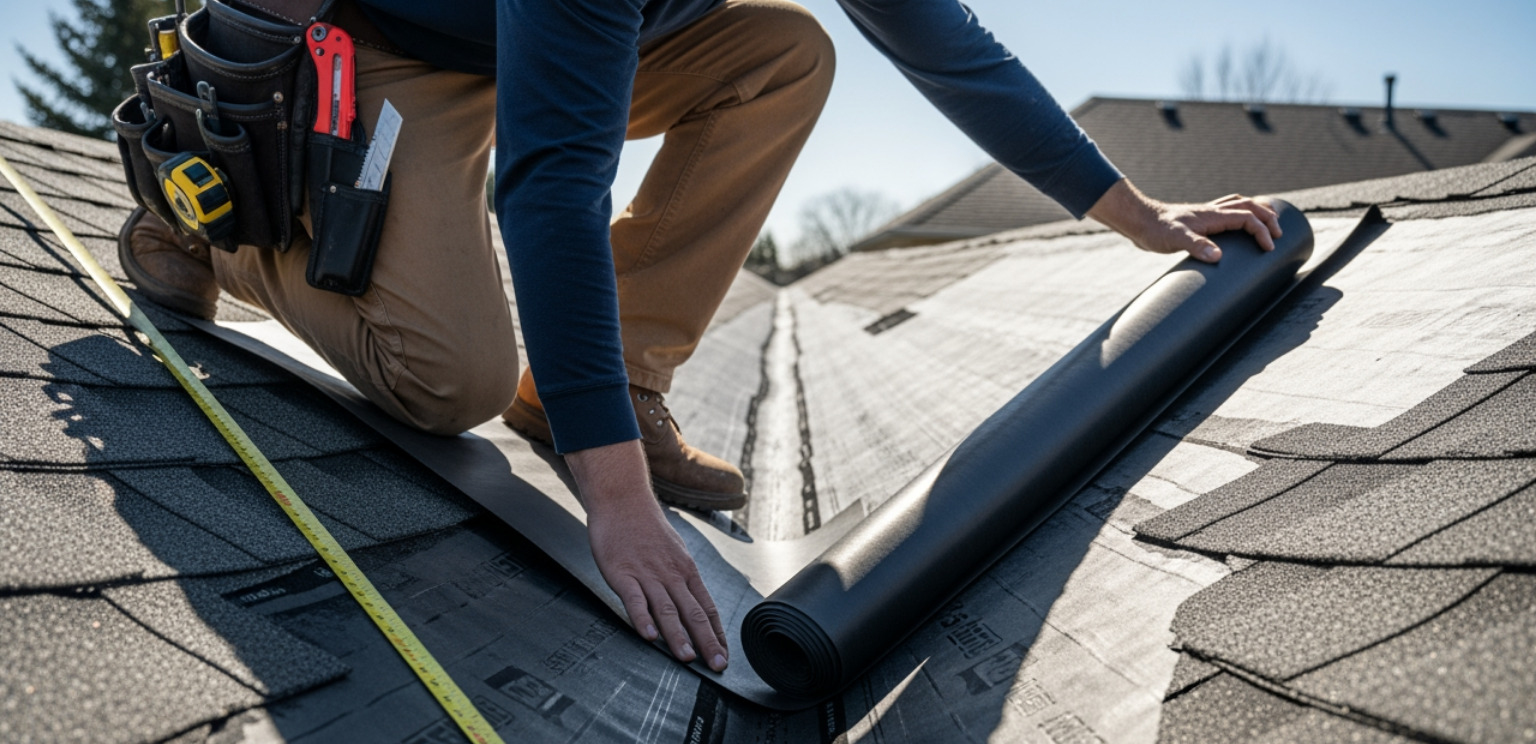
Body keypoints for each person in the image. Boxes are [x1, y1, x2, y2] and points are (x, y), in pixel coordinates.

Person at [119, 0, 1281, 679]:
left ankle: (615, 370)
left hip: (548, 35)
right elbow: (549, 186)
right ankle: (220, 240)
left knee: (784, 51)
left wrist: (1137, 214)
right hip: (392, 46)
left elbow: (952, 51)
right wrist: (613, 496)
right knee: (446, 380)